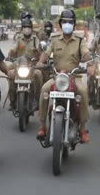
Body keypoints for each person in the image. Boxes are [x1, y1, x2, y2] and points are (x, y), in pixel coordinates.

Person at [36, 9, 91, 143]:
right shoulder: (54, 39)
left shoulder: (79, 40)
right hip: (57, 76)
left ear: (73, 24)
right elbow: (46, 53)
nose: (67, 24)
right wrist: (40, 62)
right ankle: (43, 125)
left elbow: (86, 54)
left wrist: (90, 63)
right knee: (44, 90)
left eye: (70, 22)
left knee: (83, 92)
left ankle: (83, 128)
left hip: (74, 76)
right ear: (60, 24)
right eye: (64, 22)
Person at [7, 17, 43, 111]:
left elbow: (40, 52)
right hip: (19, 65)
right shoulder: (18, 38)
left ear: (31, 29)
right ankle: (13, 100)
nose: (27, 29)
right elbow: (13, 48)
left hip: (32, 65)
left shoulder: (35, 39)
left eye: (28, 27)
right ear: (22, 28)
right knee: (10, 75)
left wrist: (39, 58)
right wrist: (10, 54)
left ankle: (37, 100)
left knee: (38, 75)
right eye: (25, 27)